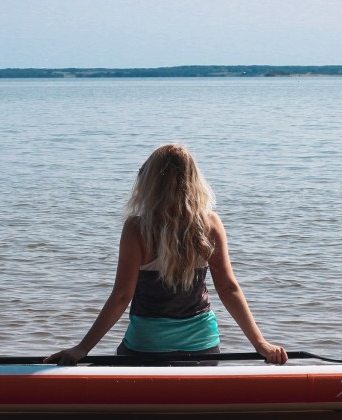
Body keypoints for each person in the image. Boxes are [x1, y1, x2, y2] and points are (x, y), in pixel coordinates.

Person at [46, 144, 287, 366]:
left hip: (147, 346)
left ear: (149, 183)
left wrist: (83, 348)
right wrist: (260, 344)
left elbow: (122, 296)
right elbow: (228, 289)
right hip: (202, 346)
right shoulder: (210, 224)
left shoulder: (136, 229)